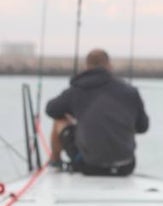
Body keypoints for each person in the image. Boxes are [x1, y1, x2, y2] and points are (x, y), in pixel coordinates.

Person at [45, 48, 149, 176]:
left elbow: (50, 110)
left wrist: (77, 116)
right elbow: (143, 127)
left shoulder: (77, 89)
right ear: (109, 66)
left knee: (59, 120)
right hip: (125, 167)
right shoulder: (130, 91)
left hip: (89, 167)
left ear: (86, 67)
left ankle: (55, 162)